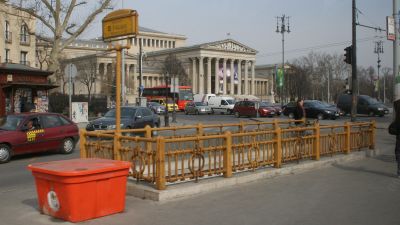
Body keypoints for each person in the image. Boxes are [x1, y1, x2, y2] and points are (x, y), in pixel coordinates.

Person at [393, 100, 400, 178]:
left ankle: (399, 171)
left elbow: (394, 119)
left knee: (398, 150)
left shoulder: (396, 103)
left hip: (398, 131)